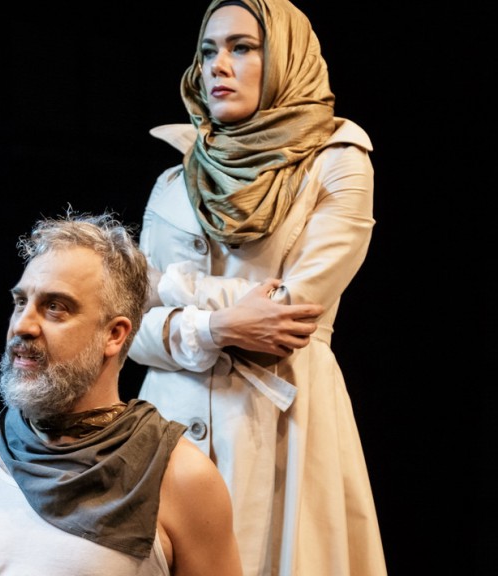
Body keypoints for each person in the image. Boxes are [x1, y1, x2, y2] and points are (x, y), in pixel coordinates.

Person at [128, 1, 387, 575]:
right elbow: (127, 329)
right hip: (167, 425)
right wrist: (215, 325)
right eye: (208, 51)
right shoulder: (172, 181)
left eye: (242, 47)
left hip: (279, 423)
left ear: (286, 57)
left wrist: (172, 288)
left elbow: (291, 312)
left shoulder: (337, 163)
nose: (218, 66)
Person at [0, 211, 243, 576]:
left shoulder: (181, 479)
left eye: (55, 307)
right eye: (20, 303)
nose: (22, 325)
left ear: (114, 335)